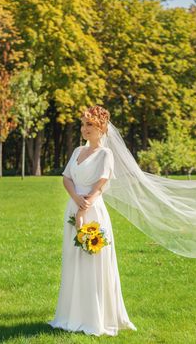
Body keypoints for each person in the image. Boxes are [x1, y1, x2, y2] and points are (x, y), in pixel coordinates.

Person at [47, 105, 138, 336]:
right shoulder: (78, 151)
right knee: (74, 260)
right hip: (75, 205)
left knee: (92, 262)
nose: (84, 129)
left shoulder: (105, 154)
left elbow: (101, 183)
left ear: (101, 128)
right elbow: (66, 178)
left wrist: (83, 207)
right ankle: (71, 315)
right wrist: (75, 200)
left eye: (89, 125)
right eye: (83, 124)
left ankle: (95, 316)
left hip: (92, 210)